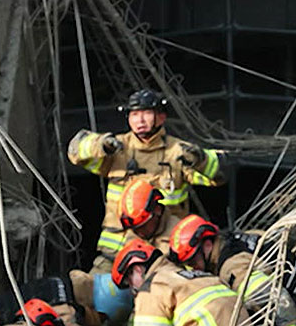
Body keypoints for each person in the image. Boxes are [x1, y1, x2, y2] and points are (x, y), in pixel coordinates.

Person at [68, 89, 225, 271]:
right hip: (117, 248)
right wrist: (100, 145)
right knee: (98, 290)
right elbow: (75, 151)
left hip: (166, 251)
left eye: (146, 113)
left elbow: (220, 175)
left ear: (161, 117)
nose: (140, 120)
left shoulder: (178, 152)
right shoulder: (116, 148)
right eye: (134, 114)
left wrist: (201, 160)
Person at [167, 215, 296, 326]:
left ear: (207, 244)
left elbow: (274, 299)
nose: (193, 268)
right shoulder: (245, 238)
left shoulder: (232, 267)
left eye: (192, 261)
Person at [114, 238, 259, 326]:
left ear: (137, 270)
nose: (132, 289)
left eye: (129, 282)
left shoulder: (152, 288)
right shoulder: (201, 276)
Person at [117, 177, 179, 254]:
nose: (140, 233)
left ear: (157, 210)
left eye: (143, 227)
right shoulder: (133, 235)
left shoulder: (178, 236)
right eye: (136, 229)